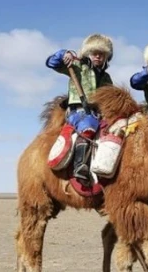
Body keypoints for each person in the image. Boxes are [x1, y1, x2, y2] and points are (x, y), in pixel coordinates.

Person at [45, 33, 114, 184]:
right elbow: (51, 63)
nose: (98, 56)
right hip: (79, 112)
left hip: (99, 114)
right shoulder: (76, 66)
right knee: (88, 125)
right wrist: (64, 54)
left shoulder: (106, 78)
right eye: (94, 53)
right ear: (88, 53)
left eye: (102, 54)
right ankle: (80, 166)